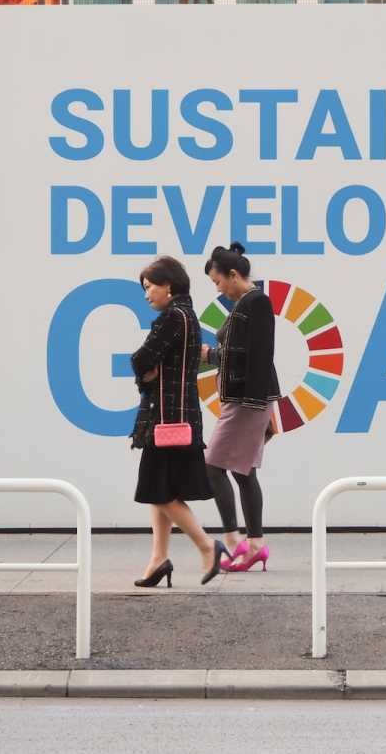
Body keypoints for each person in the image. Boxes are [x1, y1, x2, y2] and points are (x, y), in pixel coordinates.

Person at [129, 255, 228, 588]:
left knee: (158, 490)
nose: (146, 295)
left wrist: (146, 373)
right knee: (161, 491)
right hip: (182, 418)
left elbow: (140, 358)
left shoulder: (171, 318)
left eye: (149, 287)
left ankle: (207, 546)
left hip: (166, 420)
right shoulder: (189, 316)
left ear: (168, 285)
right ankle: (158, 559)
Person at [202, 243, 280, 572]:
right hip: (245, 399)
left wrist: (256, 404)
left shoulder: (256, 302)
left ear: (233, 275)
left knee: (212, 466)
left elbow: (261, 354)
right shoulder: (247, 304)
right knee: (242, 471)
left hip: (247, 401)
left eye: (218, 282)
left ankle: (235, 541)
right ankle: (256, 545)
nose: (218, 289)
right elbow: (244, 353)